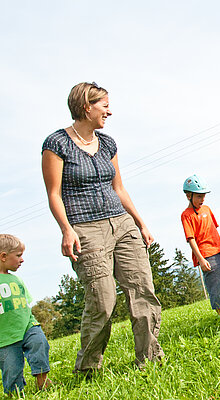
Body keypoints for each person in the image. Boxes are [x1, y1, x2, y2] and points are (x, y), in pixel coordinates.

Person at [41, 82, 164, 373]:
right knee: (103, 300)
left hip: (122, 223)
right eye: (104, 105)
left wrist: (140, 222)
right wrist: (66, 230)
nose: (109, 111)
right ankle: (88, 368)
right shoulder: (56, 143)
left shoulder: (108, 143)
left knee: (143, 290)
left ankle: (149, 361)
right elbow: (54, 194)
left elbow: (118, 188)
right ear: (87, 106)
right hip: (86, 228)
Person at [0, 234, 52, 395]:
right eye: (18, 255)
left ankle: (42, 379)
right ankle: (15, 394)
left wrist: (32, 322)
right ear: (3, 256)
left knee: (40, 343)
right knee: (11, 369)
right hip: (5, 336)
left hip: (28, 326)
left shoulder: (16, 280)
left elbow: (25, 304)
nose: (22, 260)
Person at [181, 174, 220, 317]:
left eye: (203, 196)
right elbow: (191, 239)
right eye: (199, 196)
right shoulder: (186, 215)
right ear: (189, 195)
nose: (202, 199)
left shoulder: (207, 209)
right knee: (215, 285)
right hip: (206, 254)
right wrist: (200, 259)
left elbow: (214, 228)